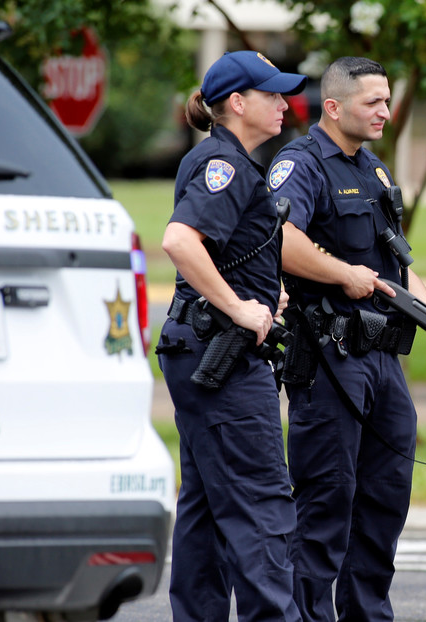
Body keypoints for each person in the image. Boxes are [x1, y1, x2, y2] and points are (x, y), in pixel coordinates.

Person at [267, 56, 426, 622]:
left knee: (384, 503)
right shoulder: (301, 165)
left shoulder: (375, 171)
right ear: (334, 107)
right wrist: (343, 274)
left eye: (388, 101)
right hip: (329, 361)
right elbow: (280, 240)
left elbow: (398, 270)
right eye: (374, 103)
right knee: (324, 507)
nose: (387, 112)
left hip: (384, 362)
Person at [156, 50, 306, 621]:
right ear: (237, 104)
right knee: (262, 507)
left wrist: (261, 292)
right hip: (221, 358)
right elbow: (179, 241)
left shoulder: (223, 161)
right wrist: (240, 307)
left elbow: (220, 248)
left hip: (199, 349)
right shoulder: (227, 165)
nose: (284, 103)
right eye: (272, 94)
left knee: (205, 508)